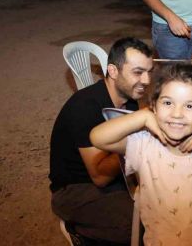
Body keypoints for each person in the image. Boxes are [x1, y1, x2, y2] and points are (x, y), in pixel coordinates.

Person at [90, 63, 192, 245]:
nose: (177, 114)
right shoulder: (143, 143)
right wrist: (143, 116)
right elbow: (98, 138)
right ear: (154, 106)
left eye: (190, 106)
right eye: (168, 103)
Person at [49, 37, 154, 244]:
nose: (147, 81)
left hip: (118, 180)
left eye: (149, 72)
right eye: (138, 72)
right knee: (142, 227)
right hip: (75, 190)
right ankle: (80, 233)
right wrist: (140, 141)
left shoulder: (129, 100)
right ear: (113, 71)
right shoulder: (86, 108)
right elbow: (100, 177)